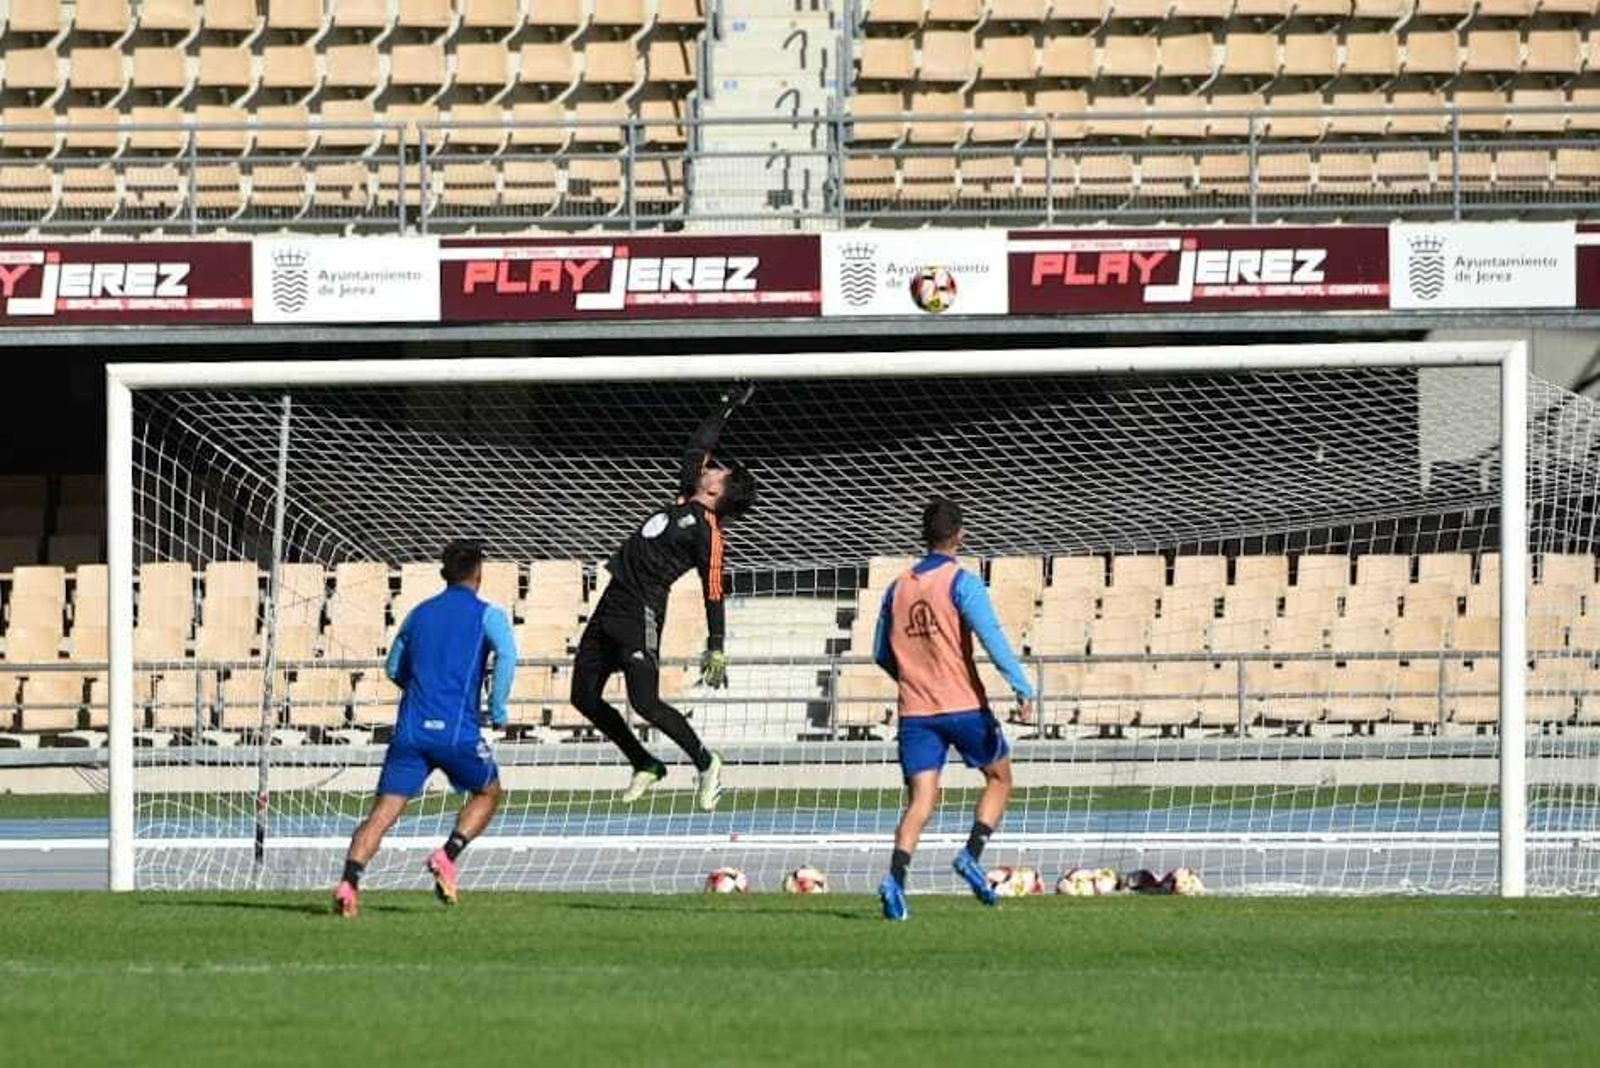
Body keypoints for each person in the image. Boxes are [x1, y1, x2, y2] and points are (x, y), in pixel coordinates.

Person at [569, 384, 757, 812]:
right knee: (582, 697)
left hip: (641, 609)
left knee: (645, 701)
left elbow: (714, 588)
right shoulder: (687, 492)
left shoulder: (709, 532)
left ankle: (707, 763)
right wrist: (727, 404)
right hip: (611, 600)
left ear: (717, 490)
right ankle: (644, 763)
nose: (714, 468)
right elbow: (699, 443)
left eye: (720, 472)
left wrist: (717, 645)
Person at [332, 539, 516, 918]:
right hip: (456, 732)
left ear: (443, 573)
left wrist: (420, 691)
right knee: (489, 791)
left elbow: (393, 668)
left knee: (382, 813)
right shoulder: (488, 614)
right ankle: (447, 855)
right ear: (479, 574)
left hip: (411, 731)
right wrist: (497, 710)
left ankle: (349, 882)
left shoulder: (418, 613)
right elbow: (509, 656)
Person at [872, 498, 1036, 922]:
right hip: (963, 705)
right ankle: (970, 855)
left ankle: (895, 880)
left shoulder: (897, 587)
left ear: (924, 536)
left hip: (915, 712)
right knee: (1000, 778)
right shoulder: (962, 582)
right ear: (960, 535)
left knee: (921, 801)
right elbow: (992, 638)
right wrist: (1022, 687)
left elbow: (880, 652)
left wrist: (912, 676)